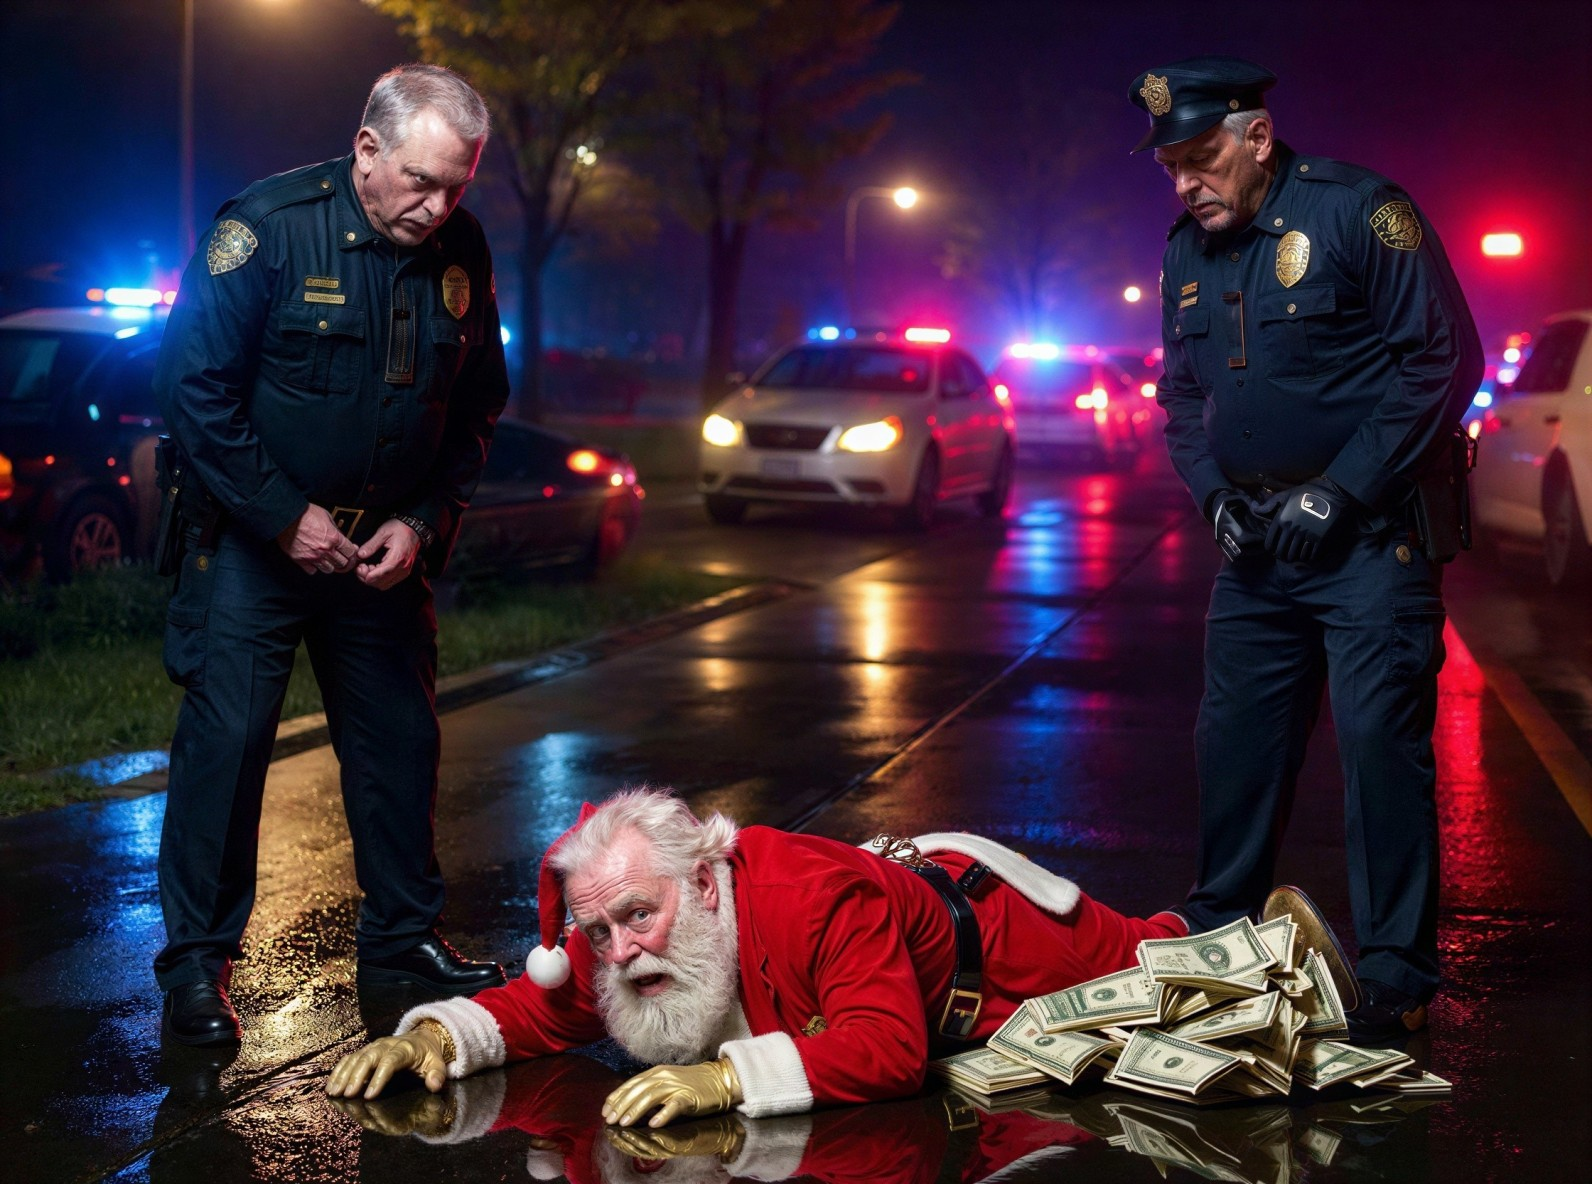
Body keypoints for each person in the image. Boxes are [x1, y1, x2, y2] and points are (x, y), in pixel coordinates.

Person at [1126, 56, 1483, 1042]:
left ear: (1255, 136)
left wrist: (1342, 488)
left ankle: (1393, 975)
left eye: (1199, 158)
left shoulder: (1358, 214)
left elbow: (1442, 359)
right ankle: (1215, 938)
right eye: (1168, 166)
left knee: (1377, 749)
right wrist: (1211, 500)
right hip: (1256, 552)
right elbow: (1182, 395)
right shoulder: (1182, 252)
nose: (1184, 182)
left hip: (1369, 543)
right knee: (1231, 743)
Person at [154, 63, 512, 1046]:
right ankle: (195, 968)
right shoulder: (268, 227)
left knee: (400, 749)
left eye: (457, 186)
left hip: (381, 554)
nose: (436, 206)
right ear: (365, 151)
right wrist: (281, 515)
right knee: (224, 754)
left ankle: (402, 941)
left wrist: (428, 520)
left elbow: (479, 401)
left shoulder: (462, 248)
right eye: (419, 181)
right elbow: (193, 391)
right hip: (253, 548)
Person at [327, 787, 1204, 1125]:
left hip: (1005, 938)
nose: (623, 951)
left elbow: (891, 1048)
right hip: (943, 972)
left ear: (706, 885)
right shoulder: (628, 939)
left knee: (1163, 964)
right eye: (599, 933)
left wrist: (726, 1080)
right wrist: (433, 1042)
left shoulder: (813, 899)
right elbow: (542, 1005)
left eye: (639, 915)